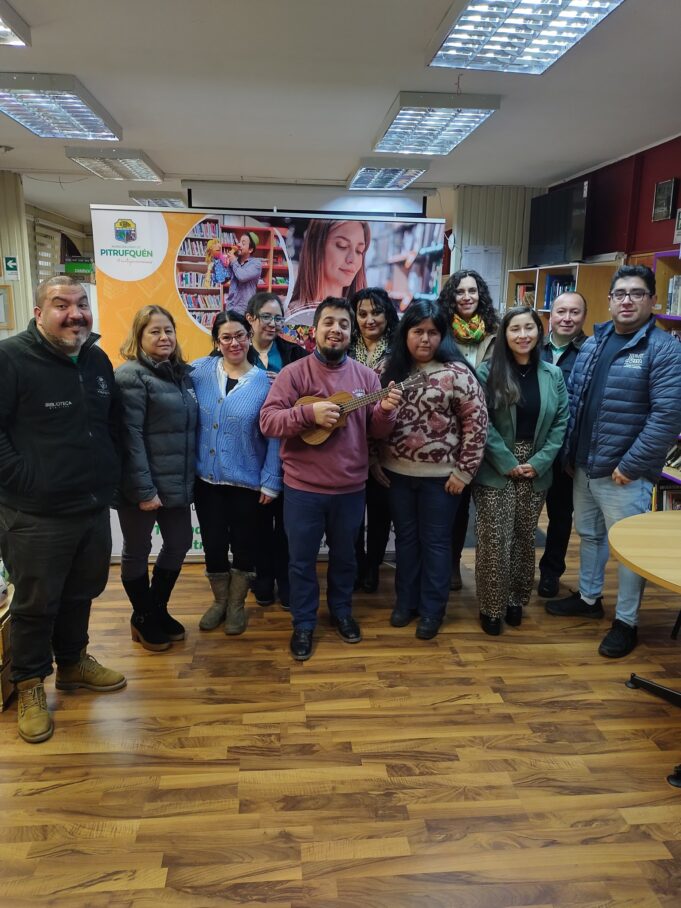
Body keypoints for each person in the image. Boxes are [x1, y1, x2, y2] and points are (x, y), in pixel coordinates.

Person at [0, 276, 126, 744]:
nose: (75, 314)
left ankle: (72, 662)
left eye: (81, 304)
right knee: (35, 604)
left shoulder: (95, 358)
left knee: (81, 592)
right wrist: (26, 480)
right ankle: (30, 683)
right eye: (61, 304)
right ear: (38, 313)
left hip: (90, 506)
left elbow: (110, 423)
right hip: (35, 513)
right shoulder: (10, 358)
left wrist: (111, 475)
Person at [546, 265, 681, 657]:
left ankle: (626, 622)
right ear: (608, 300)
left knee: (628, 549)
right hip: (584, 465)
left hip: (624, 473)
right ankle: (589, 599)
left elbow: (667, 417)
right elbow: (575, 401)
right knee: (589, 535)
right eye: (620, 293)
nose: (627, 300)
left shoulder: (664, 349)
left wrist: (631, 465)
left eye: (637, 293)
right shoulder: (594, 342)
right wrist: (570, 454)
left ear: (652, 300)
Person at [260, 297, 401, 661]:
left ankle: (341, 612)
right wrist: (308, 414)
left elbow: (376, 431)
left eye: (343, 324)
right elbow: (268, 421)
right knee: (300, 561)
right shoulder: (294, 374)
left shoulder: (367, 377)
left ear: (351, 333)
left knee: (345, 558)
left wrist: (386, 411)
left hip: (350, 489)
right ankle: (304, 623)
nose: (336, 329)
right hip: (303, 490)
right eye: (329, 323)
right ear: (315, 330)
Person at [376, 300, 488, 639]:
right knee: (406, 541)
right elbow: (371, 419)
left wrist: (464, 472)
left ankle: (431, 611)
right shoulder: (387, 370)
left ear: (443, 336)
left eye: (433, 332)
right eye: (417, 331)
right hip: (396, 475)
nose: (425, 339)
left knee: (436, 544)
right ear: (405, 333)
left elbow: (477, 424)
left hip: (442, 480)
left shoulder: (457, 373)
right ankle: (405, 603)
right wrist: (372, 460)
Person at [474, 306, 569, 636]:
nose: (523, 335)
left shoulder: (553, 375)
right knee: (494, 539)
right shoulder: (487, 372)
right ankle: (491, 607)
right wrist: (507, 462)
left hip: (536, 468)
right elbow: (481, 422)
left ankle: (515, 600)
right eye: (515, 329)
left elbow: (561, 422)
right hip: (497, 467)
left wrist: (540, 462)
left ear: (539, 332)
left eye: (529, 328)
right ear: (504, 335)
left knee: (524, 538)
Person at [192, 310, 282, 635]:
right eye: (226, 337)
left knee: (245, 546)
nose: (234, 343)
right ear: (217, 341)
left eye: (240, 335)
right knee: (214, 545)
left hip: (247, 483)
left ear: (250, 336)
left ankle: (236, 605)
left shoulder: (266, 383)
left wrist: (271, 481)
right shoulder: (198, 371)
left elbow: (275, 437)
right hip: (206, 482)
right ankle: (219, 601)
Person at [115, 305, 198, 652]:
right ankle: (144, 616)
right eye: (154, 331)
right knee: (137, 550)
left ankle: (156, 609)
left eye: (168, 330)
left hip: (175, 481)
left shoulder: (181, 374)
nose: (164, 337)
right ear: (139, 336)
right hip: (140, 485)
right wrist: (144, 489)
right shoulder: (130, 375)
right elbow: (129, 436)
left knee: (179, 542)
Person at [437, 269, 499, 591]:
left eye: (472, 291)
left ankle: (485, 570)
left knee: (486, 505)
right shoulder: (440, 331)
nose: (466, 297)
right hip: (449, 429)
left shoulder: (495, 333)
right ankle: (449, 565)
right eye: (460, 292)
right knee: (455, 503)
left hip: (491, 426)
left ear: (480, 295)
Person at [245, 291, 307, 608]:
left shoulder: (295, 353)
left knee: (287, 526)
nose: (273, 324)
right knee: (257, 523)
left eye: (278, 318)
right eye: (266, 317)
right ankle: (263, 579)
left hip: (289, 451)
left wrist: (283, 382)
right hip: (251, 451)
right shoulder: (235, 351)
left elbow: (310, 394)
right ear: (250, 319)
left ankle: (286, 581)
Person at [536, 291, 588, 598]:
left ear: (584, 317)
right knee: (523, 515)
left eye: (574, 312)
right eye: (561, 311)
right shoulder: (533, 346)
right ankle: (515, 568)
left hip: (565, 452)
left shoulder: (591, 351)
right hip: (530, 449)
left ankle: (550, 572)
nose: (567, 318)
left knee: (559, 516)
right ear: (550, 315)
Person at [348, 287, 399, 593]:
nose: (370, 320)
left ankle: (372, 567)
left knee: (380, 513)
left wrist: (377, 455)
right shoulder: (344, 349)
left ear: (387, 314)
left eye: (376, 312)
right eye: (363, 313)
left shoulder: (399, 351)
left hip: (386, 447)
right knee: (351, 515)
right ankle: (356, 563)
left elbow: (400, 406)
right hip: (349, 446)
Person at [288, 220, 370, 320]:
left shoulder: (363, 318)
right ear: (316, 247)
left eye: (359, 251)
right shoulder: (289, 315)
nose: (352, 259)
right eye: (342, 245)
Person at [224, 232, 263, 314]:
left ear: (250, 249)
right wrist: (221, 264)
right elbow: (223, 280)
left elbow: (242, 276)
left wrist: (233, 261)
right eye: (239, 242)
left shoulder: (256, 263)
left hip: (244, 310)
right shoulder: (235, 262)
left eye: (243, 243)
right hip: (230, 307)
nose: (238, 245)